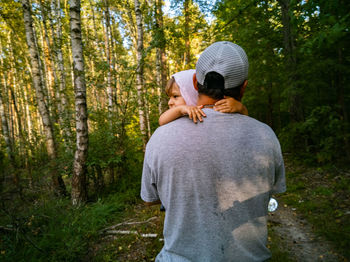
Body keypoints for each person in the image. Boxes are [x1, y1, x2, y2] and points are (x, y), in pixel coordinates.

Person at [141, 41, 286, 261]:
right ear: (244, 86)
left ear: (194, 82)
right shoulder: (266, 135)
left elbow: (150, 199)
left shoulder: (160, 137)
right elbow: (272, 190)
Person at [159, 69, 248, 126]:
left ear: (191, 94)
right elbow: (161, 121)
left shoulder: (213, 109)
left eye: (175, 96)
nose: (169, 102)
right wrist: (180, 110)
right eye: (169, 97)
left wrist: (240, 108)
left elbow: (245, 122)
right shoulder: (179, 113)